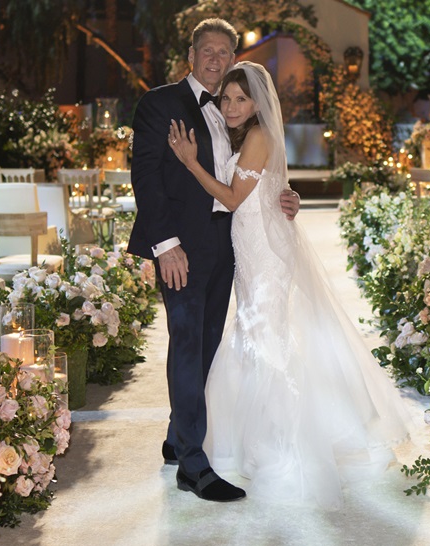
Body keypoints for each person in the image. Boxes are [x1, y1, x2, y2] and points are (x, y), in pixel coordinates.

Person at [166, 62, 409, 509]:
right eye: (228, 98)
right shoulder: (253, 138)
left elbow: (234, 197)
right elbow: (272, 188)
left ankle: (281, 444)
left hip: (264, 257)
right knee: (259, 334)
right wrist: (288, 198)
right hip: (256, 251)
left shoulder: (257, 137)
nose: (233, 106)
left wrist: (189, 161)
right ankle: (251, 439)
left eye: (242, 99)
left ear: (258, 103)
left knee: (266, 338)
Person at [128, 19, 299, 503]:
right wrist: (165, 244)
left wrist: (285, 195)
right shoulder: (159, 103)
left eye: (224, 52)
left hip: (229, 249)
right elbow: (146, 178)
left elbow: (253, 176)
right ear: (191, 53)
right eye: (207, 49)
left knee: (206, 345)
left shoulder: (235, 113)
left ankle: (176, 435)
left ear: (232, 60)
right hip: (180, 249)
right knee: (185, 342)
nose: (215, 58)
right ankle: (193, 464)